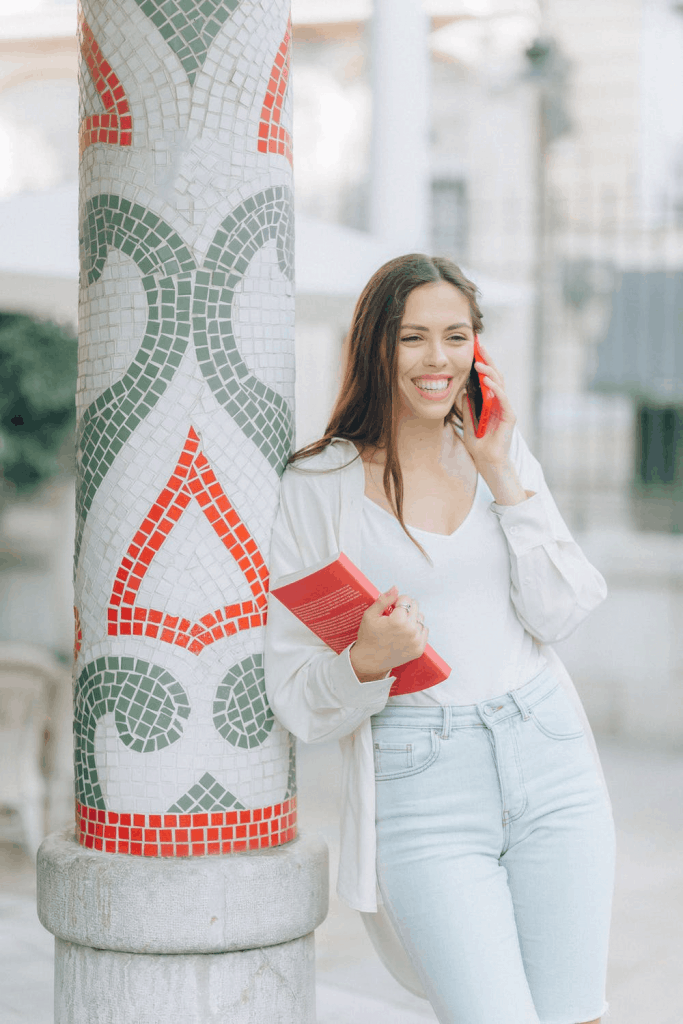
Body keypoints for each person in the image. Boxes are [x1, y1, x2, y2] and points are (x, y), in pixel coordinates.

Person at [264, 254, 615, 1024]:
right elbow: (295, 698)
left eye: (455, 336)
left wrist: (502, 474)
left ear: (478, 349)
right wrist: (365, 660)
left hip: (547, 752)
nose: (437, 360)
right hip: (421, 780)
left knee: (573, 1014)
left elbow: (557, 614)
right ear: (374, 349)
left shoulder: (500, 456)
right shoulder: (317, 485)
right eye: (411, 337)